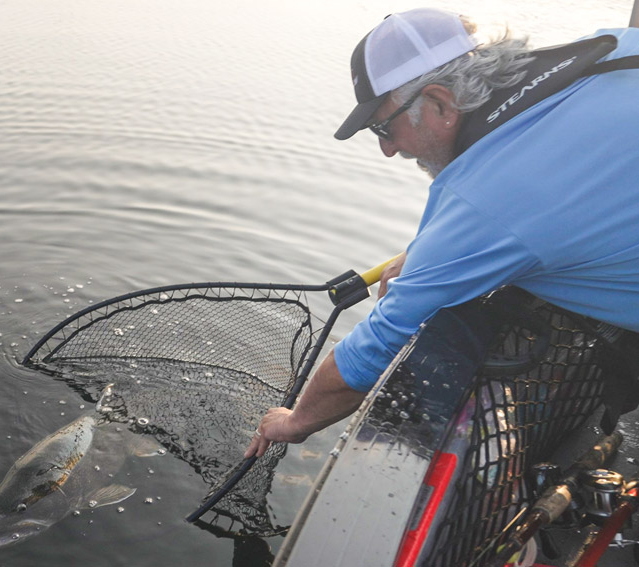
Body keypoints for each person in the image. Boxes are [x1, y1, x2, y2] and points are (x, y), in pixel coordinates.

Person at [246, 7, 639, 459]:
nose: (388, 149)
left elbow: (370, 352)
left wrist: (294, 421)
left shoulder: (490, 200)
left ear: (439, 104)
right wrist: (425, 252)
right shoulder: (609, 49)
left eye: (382, 127)